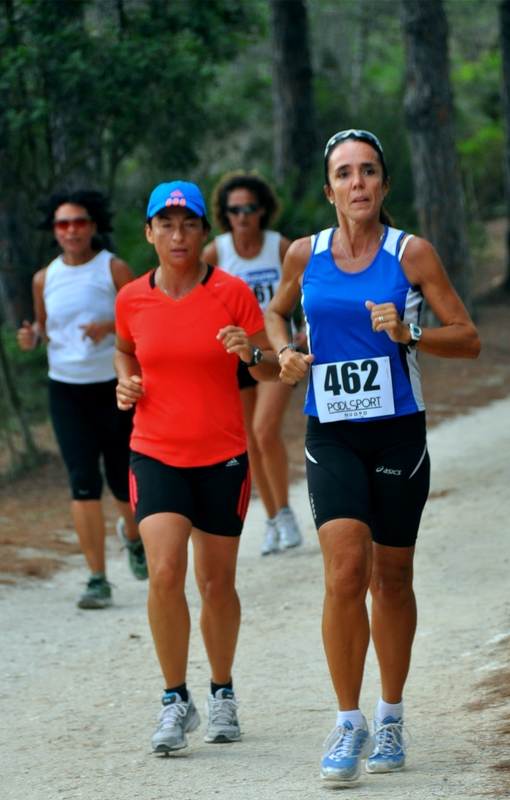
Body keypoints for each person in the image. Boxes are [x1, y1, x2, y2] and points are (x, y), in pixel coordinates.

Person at [265, 130, 481, 783]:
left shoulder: (409, 254)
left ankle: (389, 714)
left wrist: (409, 331)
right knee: (342, 572)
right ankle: (346, 723)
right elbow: (274, 315)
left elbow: (466, 338)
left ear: (383, 185)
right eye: (343, 174)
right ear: (328, 188)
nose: (356, 184)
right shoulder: (303, 255)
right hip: (330, 431)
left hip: (396, 433)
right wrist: (283, 352)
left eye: (367, 173)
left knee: (390, 578)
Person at [114, 180, 278, 754]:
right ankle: (173, 700)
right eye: (166, 224)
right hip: (155, 450)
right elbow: (126, 347)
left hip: (223, 457)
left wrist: (249, 353)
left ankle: (222, 691)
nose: (177, 235)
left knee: (216, 583)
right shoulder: (132, 296)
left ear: (205, 233)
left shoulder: (231, 292)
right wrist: (124, 381)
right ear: (149, 233)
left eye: (188, 225)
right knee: (163, 573)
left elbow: (270, 369)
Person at [17, 189, 147, 610]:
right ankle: (97, 579)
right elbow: (42, 327)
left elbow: (143, 320)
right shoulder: (44, 278)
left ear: (93, 226)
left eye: (79, 222)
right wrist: (31, 337)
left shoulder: (113, 269)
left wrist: (111, 325)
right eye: (62, 223)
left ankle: (133, 536)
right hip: (66, 391)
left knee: (122, 482)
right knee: (82, 482)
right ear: (53, 231)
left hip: (114, 389)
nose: (71, 230)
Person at [203, 172, 303, 556]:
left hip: (277, 353)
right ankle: (274, 518)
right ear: (225, 214)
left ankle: (288, 514)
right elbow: (198, 299)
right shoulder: (216, 252)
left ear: (262, 210)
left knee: (264, 431)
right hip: (237, 359)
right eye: (234, 210)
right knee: (248, 443)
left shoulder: (280, 247)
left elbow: (312, 287)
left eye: (249, 208)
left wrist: (305, 330)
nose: (242, 216)